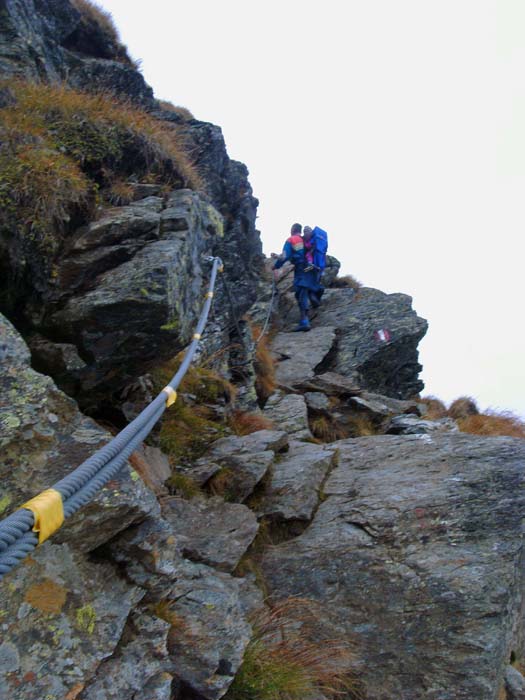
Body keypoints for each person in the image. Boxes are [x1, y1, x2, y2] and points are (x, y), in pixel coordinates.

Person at [272, 223, 324, 332]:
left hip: (302, 268)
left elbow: (285, 256)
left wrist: (275, 266)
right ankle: (314, 297)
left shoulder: (292, 240)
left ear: (292, 230)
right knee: (308, 286)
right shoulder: (306, 240)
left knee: (301, 292)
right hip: (311, 268)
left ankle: (304, 321)